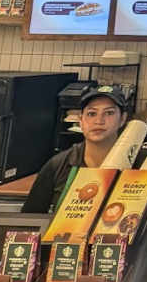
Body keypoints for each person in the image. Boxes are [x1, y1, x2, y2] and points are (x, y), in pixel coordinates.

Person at [23, 85, 129, 213]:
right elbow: (31, 218)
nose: (99, 121)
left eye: (109, 113)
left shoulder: (140, 165)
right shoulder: (57, 166)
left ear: (122, 119)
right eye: (91, 114)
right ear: (80, 121)